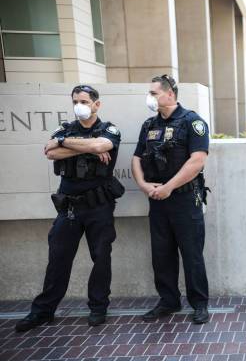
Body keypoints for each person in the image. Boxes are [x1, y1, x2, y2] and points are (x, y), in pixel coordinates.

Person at [15, 85, 123, 332]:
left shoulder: (108, 129)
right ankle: (43, 311)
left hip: (99, 206)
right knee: (58, 259)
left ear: (97, 104)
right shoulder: (65, 128)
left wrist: (65, 144)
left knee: (101, 258)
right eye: (76, 101)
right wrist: (79, 144)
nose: (79, 105)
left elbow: (100, 146)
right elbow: (50, 152)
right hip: (69, 208)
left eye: (84, 101)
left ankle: (98, 308)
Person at [132, 75, 211, 324]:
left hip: (185, 200)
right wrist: (144, 185)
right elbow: (136, 158)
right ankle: (168, 301)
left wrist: (169, 187)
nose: (150, 97)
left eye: (154, 93)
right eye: (150, 93)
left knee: (192, 254)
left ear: (170, 95)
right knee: (161, 255)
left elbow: (197, 160)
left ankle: (199, 304)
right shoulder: (148, 125)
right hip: (157, 200)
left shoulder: (192, 122)